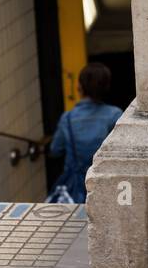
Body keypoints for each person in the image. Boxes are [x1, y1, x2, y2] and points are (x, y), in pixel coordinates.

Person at [49, 62, 123, 203]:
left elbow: (55, 150)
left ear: (79, 87)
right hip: (106, 183)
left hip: (78, 186)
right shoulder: (115, 115)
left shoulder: (68, 118)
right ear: (106, 87)